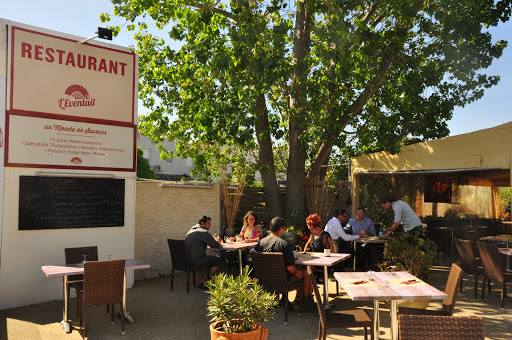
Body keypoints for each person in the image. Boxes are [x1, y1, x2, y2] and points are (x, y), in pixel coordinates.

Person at [253, 216, 313, 308]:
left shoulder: (260, 243)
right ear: (281, 228)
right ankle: (303, 302)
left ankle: (285, 300)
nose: (284, 231)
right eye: (284, 229)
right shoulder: (284, 244)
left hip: (264, 280)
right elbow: (291, 269)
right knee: (304, 273)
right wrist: (297, 272)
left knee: (286, 273)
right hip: (283, 281)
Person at [185, 216, 223, 288]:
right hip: (196, 260)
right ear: (202, 223)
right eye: (208, 223)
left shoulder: (190, 231)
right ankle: (209, 281)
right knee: (218, 260)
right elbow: (216, 245)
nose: (210, 225)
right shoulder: (202, 232)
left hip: (187, 260)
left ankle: (201, 281)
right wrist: (218, 241)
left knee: (203, 257)